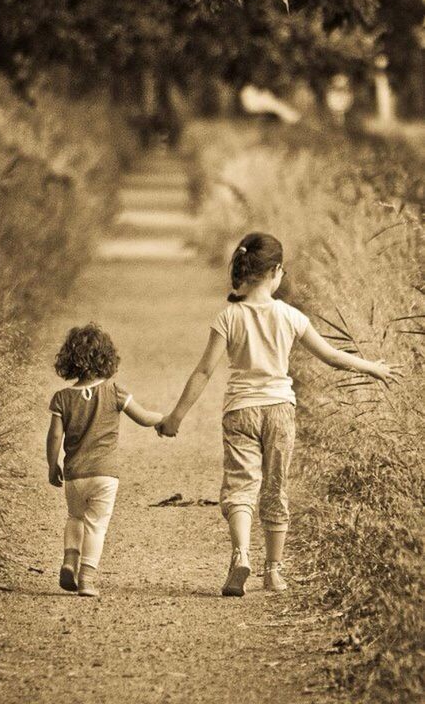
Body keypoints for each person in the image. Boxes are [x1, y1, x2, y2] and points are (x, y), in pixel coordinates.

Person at [156, 232, 401, 596]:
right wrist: (372, 368)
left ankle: (240, 554)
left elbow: (203, 371)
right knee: (275, 488)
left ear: (244, 269)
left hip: (240, 411)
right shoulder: (290, 316)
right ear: (277, 272)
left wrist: (176, 416)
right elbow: (331, 355)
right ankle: (273, 571)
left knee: (240, 488)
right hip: (279, 412)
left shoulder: (229, 317)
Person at [47, 323, 162, 597]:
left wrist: (53, 465)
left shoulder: (62, 398)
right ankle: (86, 579)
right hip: (105, 475)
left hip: (75, 475)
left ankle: (69, 561)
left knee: (75, 517)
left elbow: (54, 437)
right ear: (107, 358)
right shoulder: (114, 391)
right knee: (96, 525)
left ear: (69, 359)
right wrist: (166, 421)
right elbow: (144, 417)